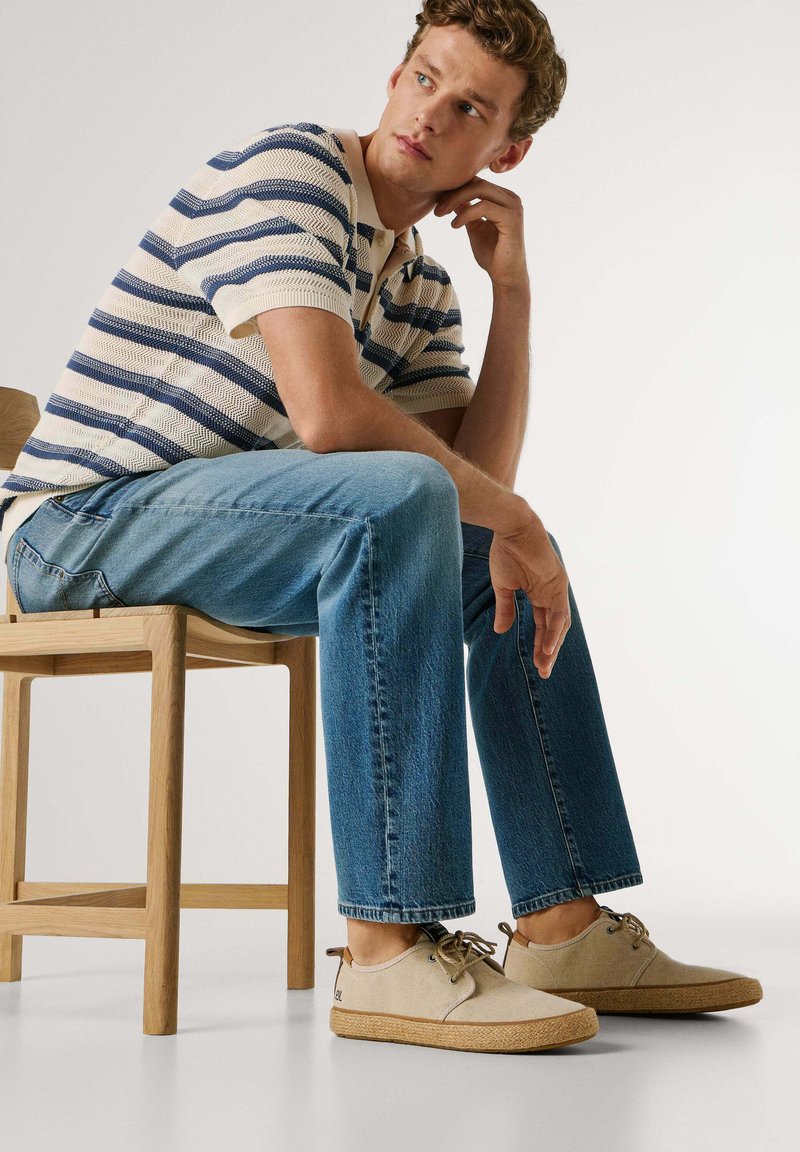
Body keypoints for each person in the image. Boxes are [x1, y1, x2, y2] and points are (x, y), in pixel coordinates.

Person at [0, 0, 762, 1052]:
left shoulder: (417, 287)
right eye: (422, 78)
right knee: (436, 507)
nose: (427, 115)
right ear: (395, 72)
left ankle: (559, 925)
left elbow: (464, 503)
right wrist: (518, 517)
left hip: (222, 530)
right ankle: (386, 951)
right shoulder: (293, 172)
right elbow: (327, 418)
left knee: (474, 545)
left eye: (468, 108)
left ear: (508, 147)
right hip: (75, 527)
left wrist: (514, 294)